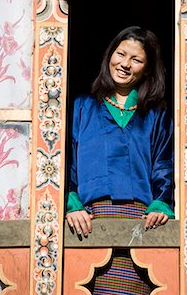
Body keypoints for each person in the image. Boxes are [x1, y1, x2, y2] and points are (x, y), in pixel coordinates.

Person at [66, 25, 174, 294]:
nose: (125, 64)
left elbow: (164, 163)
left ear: (147, 69)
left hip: (140, 224)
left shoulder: (155, 114)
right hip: (87, 221)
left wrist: (161, 203)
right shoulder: (82, 107)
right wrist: (70, 200)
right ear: (109, 55)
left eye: (136, 59)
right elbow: (64, 157)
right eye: (120, 54)